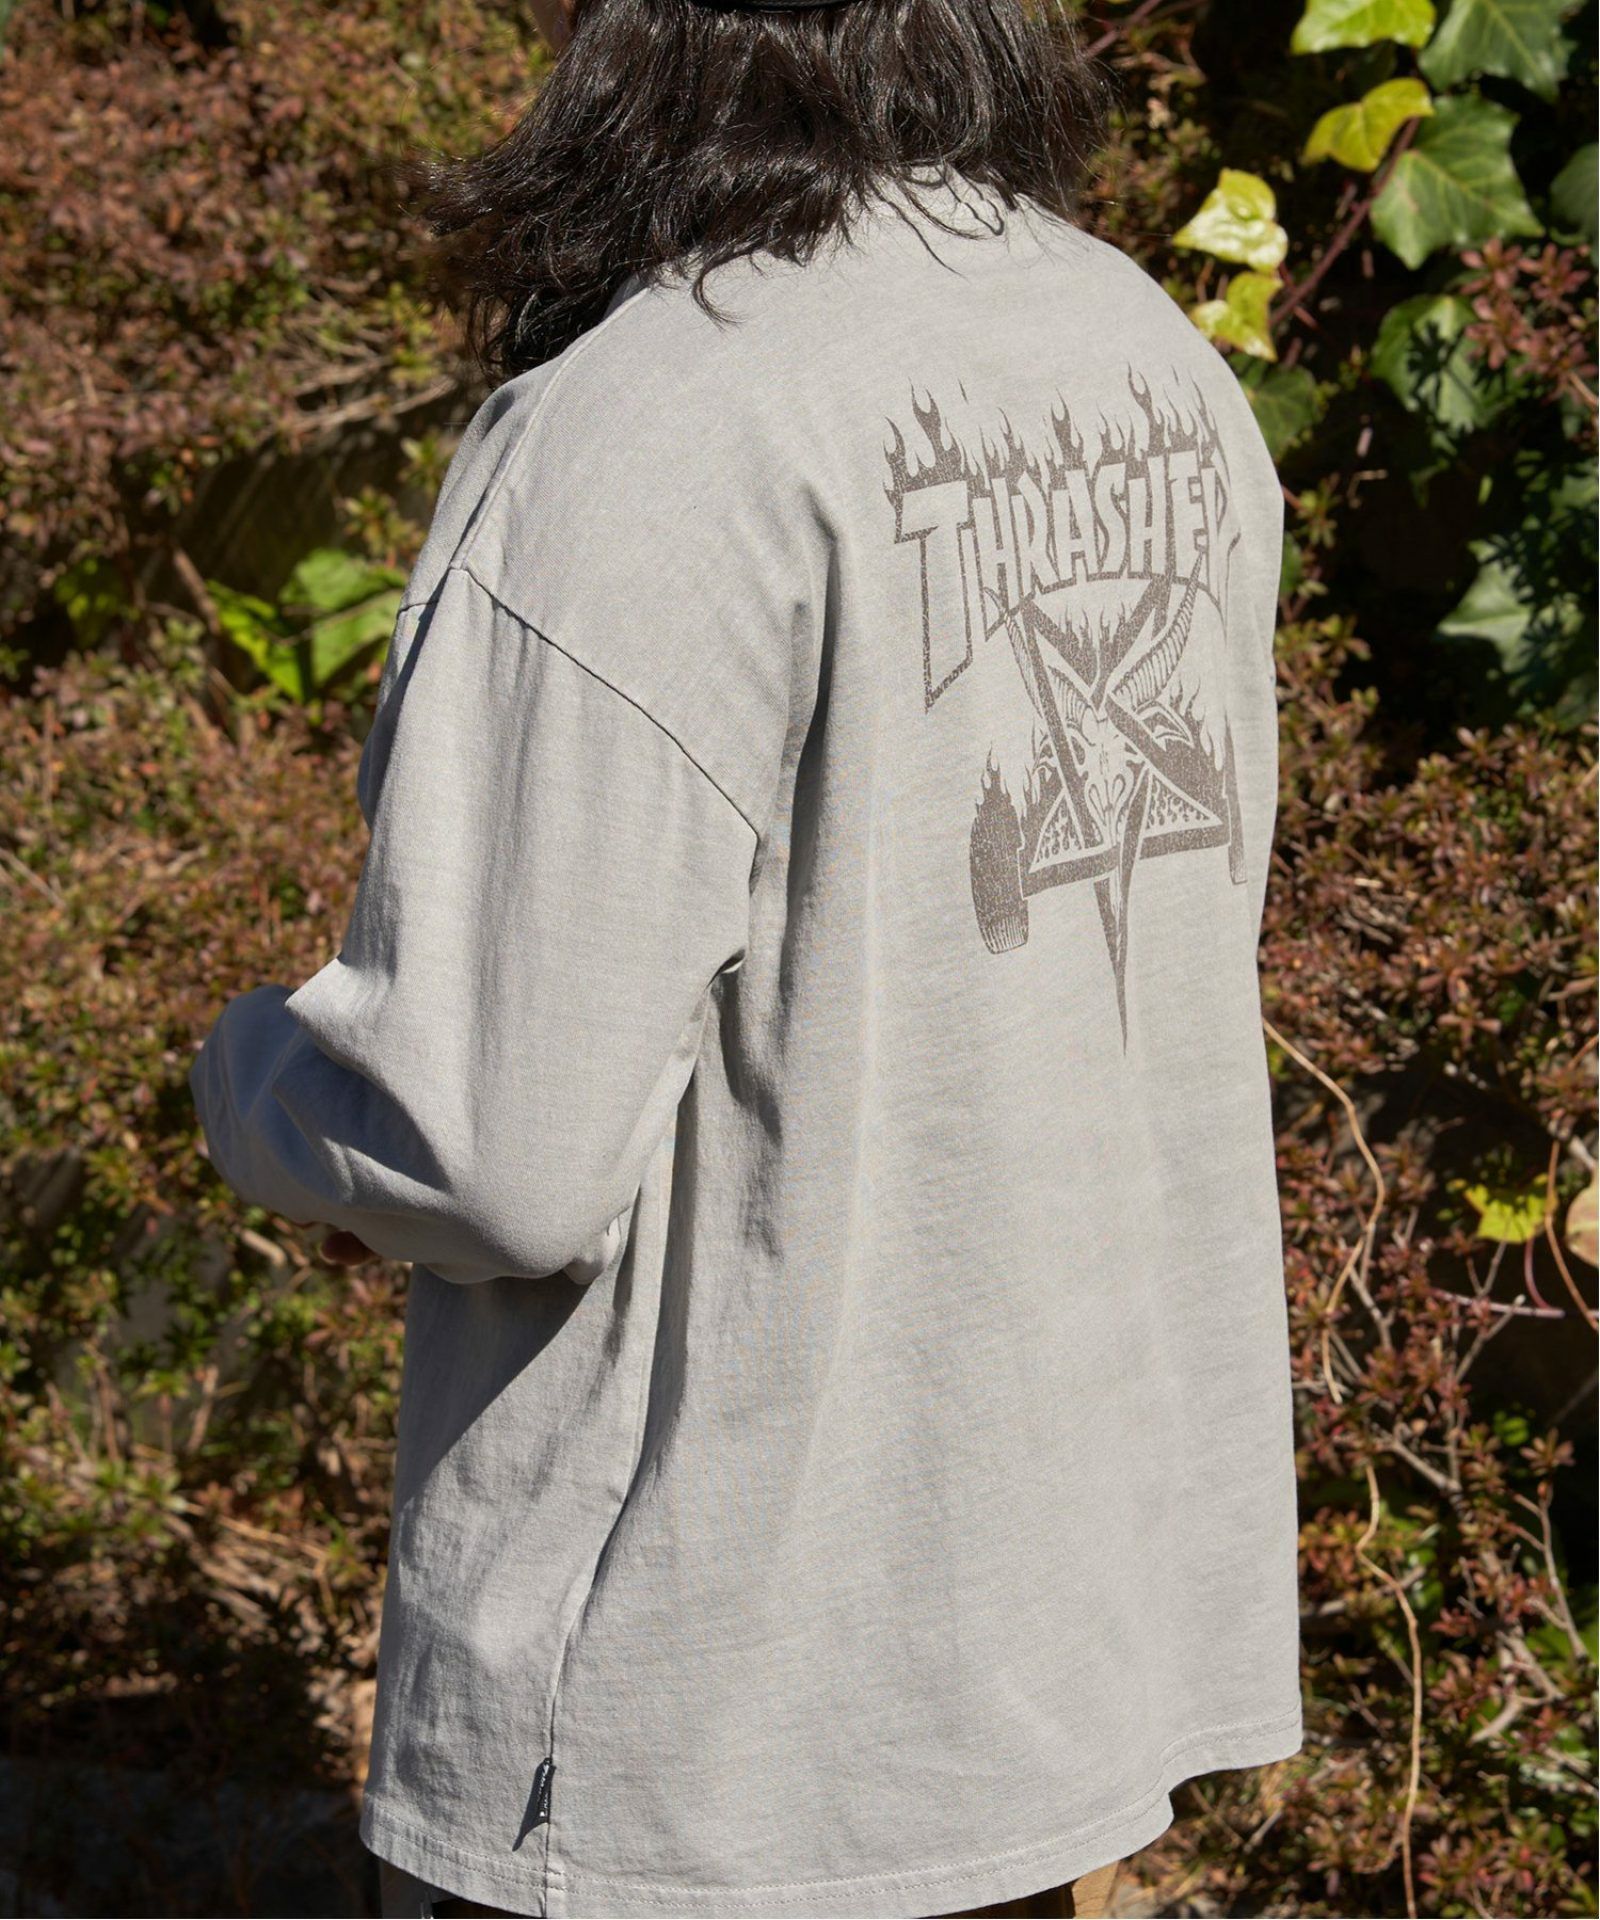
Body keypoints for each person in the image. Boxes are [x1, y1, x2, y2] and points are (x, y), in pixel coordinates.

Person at [188, 0, 1304, 1915]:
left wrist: (251, 1085)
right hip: (1040, 1659)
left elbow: (491, 1150)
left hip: (701, 1737)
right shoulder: (1141, 355)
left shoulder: (658, 427)